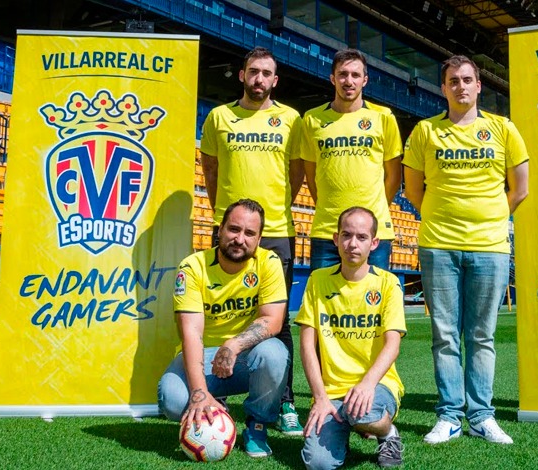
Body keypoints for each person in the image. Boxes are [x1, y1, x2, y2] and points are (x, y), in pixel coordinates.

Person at [403, 55, 529, 445]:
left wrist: (490, 219)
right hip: (439, 246)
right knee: (445, 336)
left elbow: (520, 188)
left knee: (481, 335)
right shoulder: (425, 131)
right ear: (443, 88)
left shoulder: (503, 128)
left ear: (478, 86)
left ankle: (482, 416)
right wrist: (443, 218)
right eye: (453, 81)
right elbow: (413, 190)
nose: (461, 86)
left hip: (490, 247)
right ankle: (449, 416)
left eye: (467, 79)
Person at [199, 46, 304, 435]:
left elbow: (296, 173)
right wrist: (227, 217)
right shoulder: (219, 117)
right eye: (253, 71)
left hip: (276, 231)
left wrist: (271, 212)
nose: (259, 79)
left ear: (275, 80)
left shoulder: (291, 119)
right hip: (229, 229)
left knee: (279, 320)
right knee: (220, 310)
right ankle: (220, 391)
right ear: (242, 75)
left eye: (266, 73)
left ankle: (285, 400)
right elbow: (210, 170)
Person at [158, 199, 289, 458]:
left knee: (275, 354)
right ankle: (212, 402)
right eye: (234, 229)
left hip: (244, 358)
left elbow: (273, 320)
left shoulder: (269, 262)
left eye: (249, 233)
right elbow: (191, 333)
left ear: (259, 238)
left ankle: (257, 426)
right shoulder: (193, 266)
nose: (240, 239)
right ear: (220, 230)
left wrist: (233, 344)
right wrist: (198, 392)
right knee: (172, 400)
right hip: (202, 357)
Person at [296, 207, 406, 469]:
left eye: (361, 237)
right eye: (346, 235)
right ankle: (342, 428)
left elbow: (392, 345)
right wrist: (320, 398)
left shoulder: (388, 283)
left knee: (363, 412)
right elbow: (307, 346)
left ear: (374, 243)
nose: (352, 244)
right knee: (318, 464)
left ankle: (387, 433)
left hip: (376, 385)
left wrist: (367, 385)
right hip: (331, 392)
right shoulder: (317, 280)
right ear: (336, 239)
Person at [300, 48, 403, 271]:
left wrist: (372, 212)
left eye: (355, 75)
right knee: (323, 293)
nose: (349, 81)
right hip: (327, 230)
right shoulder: (312, 119)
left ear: (365, 80)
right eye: (343, 74)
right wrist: (328, 207)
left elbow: (394, 175)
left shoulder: (383, 117)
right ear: (332, 78)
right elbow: (311, 174)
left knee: (374, 294)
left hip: (373, 233)